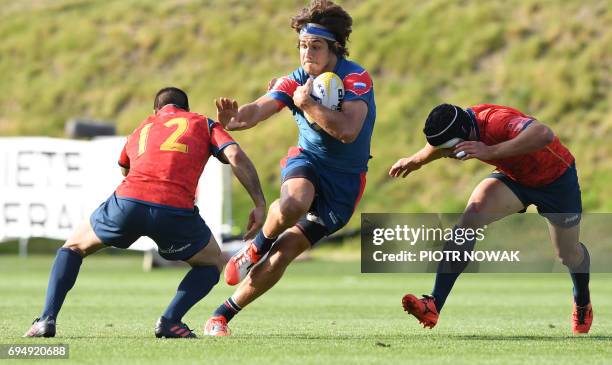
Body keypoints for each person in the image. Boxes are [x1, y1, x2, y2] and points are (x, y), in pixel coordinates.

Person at [24, 87, 266, 338]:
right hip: (175, 210)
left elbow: (124, 169)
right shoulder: (203, 123)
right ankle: (170, 321)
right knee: (211, 263)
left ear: (156, 110)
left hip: (129, 203)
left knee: (73, 247)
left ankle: (46, 319)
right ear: (186, 109)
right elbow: (234, 154)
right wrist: (259, 202)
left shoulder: (142, 128)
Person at [204, 0, 375, 336]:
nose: (306, 54)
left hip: (344, 186)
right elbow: (255, 110)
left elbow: (347, 131)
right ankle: (255, 246)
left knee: (286, 253)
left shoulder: (356, 78)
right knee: (295, 201)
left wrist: (307, 104)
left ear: (334, 48)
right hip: (307, 161)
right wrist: (234, 121)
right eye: (301, 46)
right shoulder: (294, 80)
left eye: (315, 46)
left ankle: (221, 315)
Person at [389, 103, 593, 334]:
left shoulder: (497, 120)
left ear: (463, 137)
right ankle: (434, 304)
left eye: (449, 149)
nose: (446, 155)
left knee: (567, 255)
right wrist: (416, 160)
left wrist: (490, 152)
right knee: (468, 221)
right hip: (514, 179)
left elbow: (543, 134)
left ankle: (583, 302)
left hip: (556, 182)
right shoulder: (461, 126)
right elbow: (436, 146)